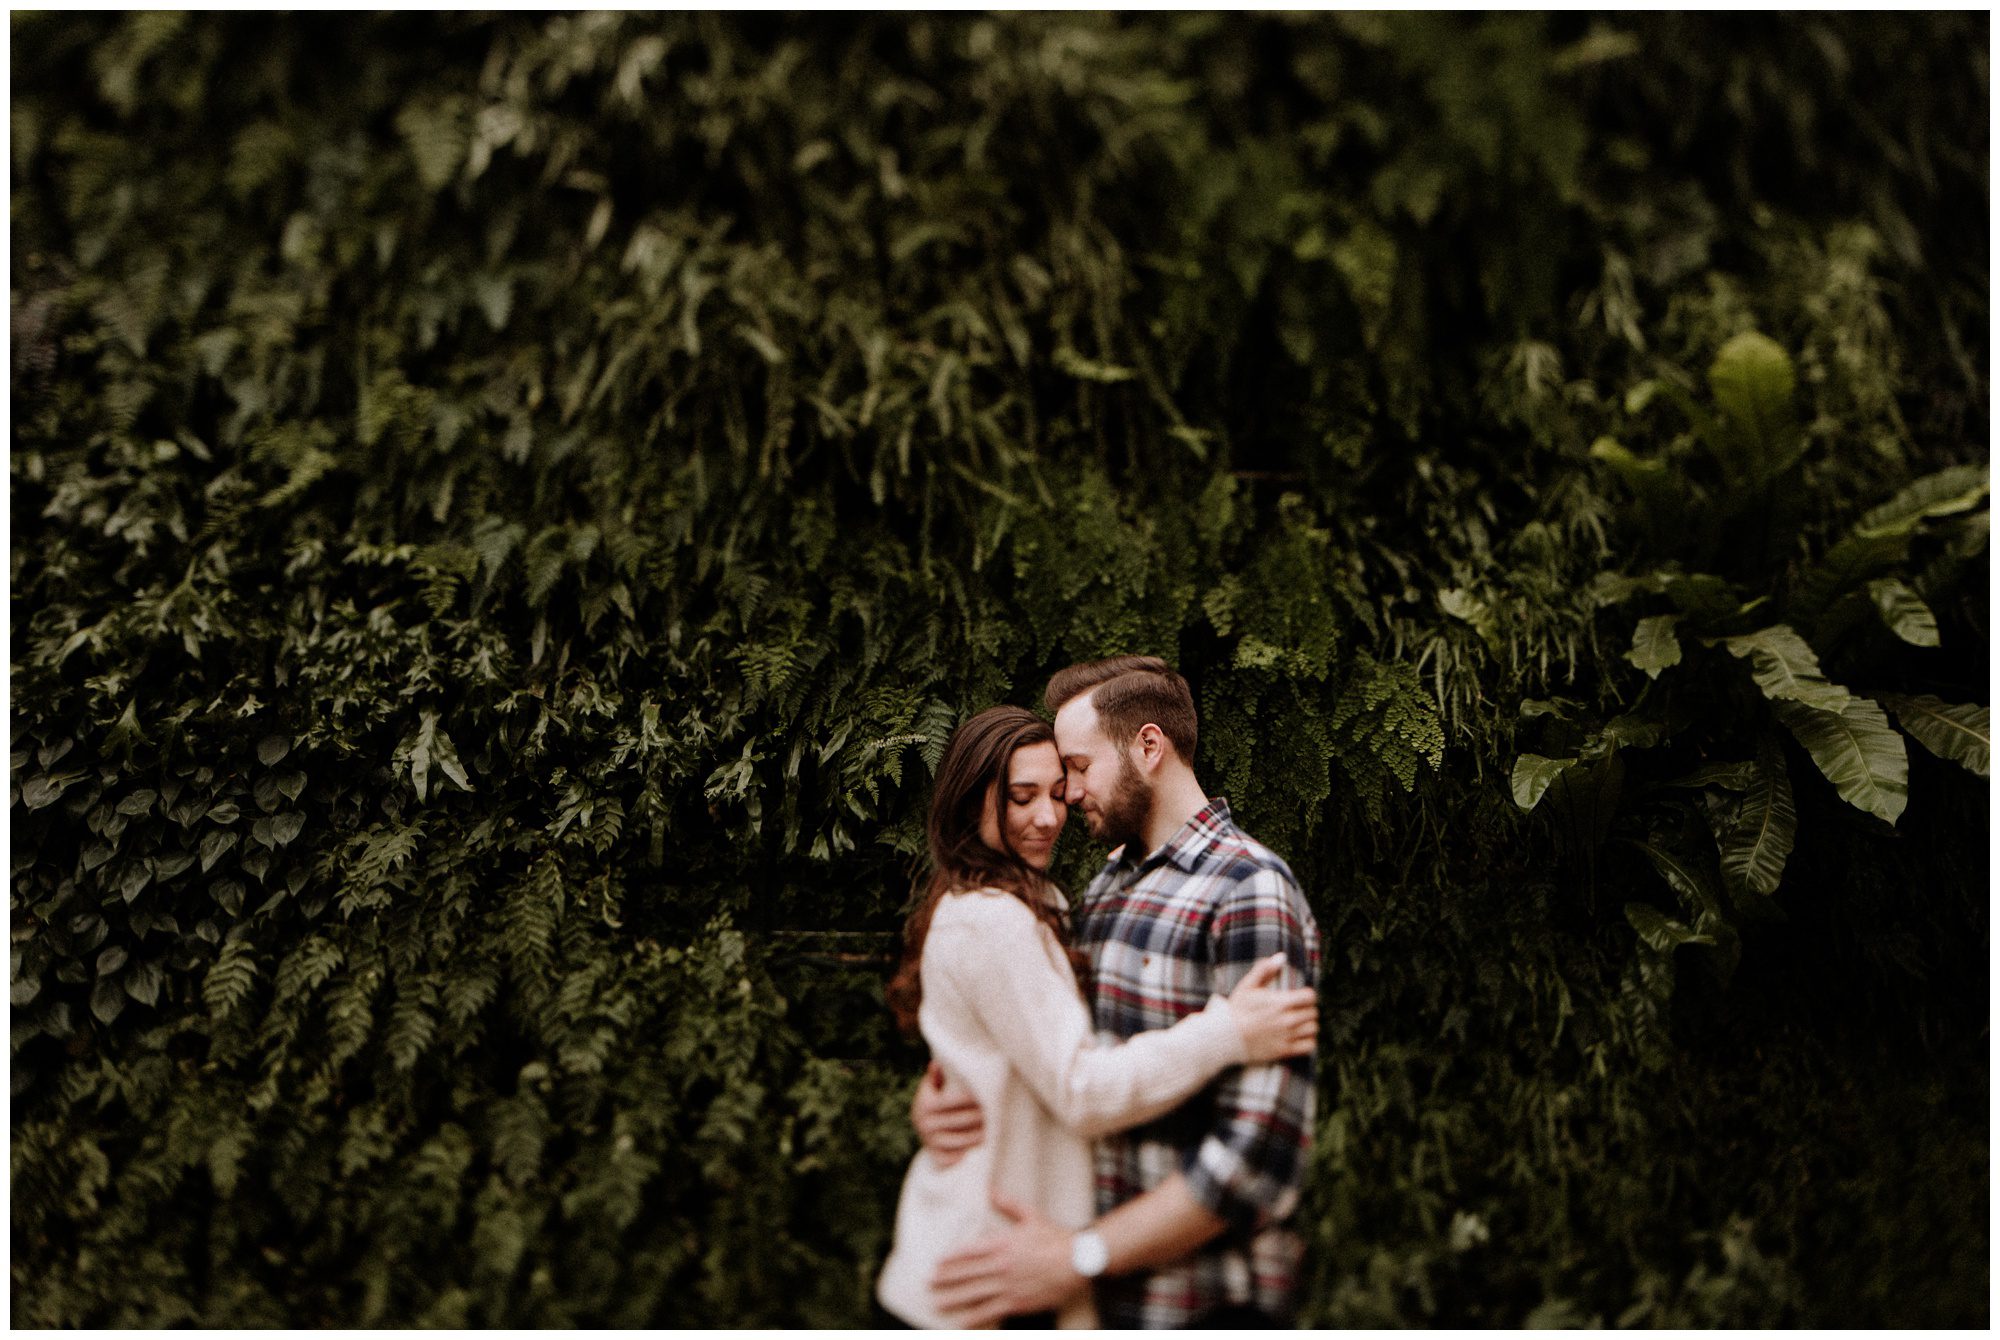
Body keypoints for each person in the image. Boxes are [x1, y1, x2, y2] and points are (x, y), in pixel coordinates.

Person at [874, 705, 1319, 1329]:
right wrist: (1227, 1031)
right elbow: (1080, 1085)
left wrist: (967, 1080)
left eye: (1059, 789)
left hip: (1037, 1260)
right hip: (983, 1270)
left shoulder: (1049, 898)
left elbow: (1032, 1052)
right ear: (971, 801)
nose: (1051, 815)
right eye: (1021, 797)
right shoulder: (992, 918)